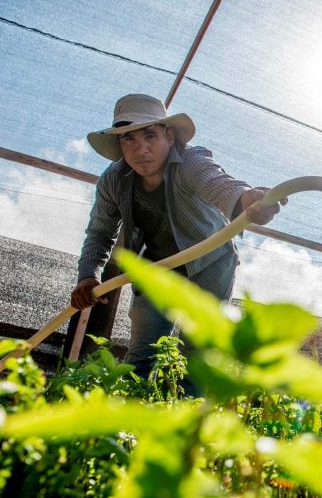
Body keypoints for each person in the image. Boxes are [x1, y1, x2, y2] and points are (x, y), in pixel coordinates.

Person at [71, 93, 286, 378]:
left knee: (198, 354)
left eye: (149, 135)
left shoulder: (189, 162)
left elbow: (218, 184)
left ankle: (190, 417)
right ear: (120, 145)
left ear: (169, 137)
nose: (140, 149)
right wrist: (88, 275)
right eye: (129, 139)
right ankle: (136, 418)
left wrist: (246, 200)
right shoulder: (114, 180)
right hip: (158, 269)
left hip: (211, 263)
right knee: (142, 354)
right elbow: (100, 233)